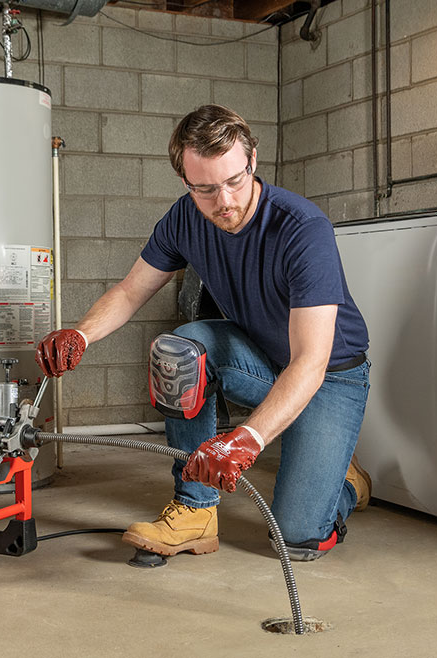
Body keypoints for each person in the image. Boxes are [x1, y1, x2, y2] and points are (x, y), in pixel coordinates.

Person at [35, 104, 371, 561]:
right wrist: (81, 334)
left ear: (253, 159)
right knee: (179, 349)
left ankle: (343, 484)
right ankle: (195, 509)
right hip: (261, 360)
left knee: (296, 538)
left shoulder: (302, 230)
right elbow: (132, 291)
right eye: (207, 189)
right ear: (186, 183)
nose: (225, 200)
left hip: (329, 375)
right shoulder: (185, 218)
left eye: (235, 180)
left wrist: (248, 439)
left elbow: (310, 361)